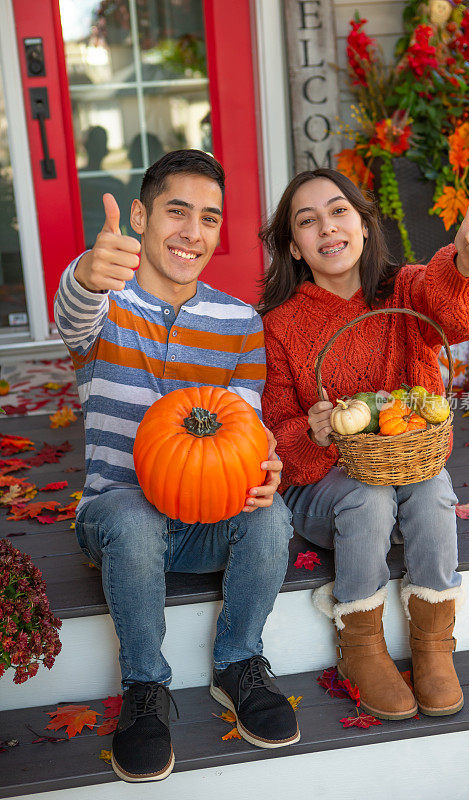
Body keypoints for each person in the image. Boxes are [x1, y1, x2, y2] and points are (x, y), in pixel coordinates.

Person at [54, 150, 299, 784]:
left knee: (274, 519)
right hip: (117, 517)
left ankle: (239, 663)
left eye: (209, 218)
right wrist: (86, 273)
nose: (193, 232)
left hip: (204, 520)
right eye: (177, 211)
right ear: (140, 216)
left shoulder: (239, 323)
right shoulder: (108, 304)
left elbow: (245, 434)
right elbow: (72, 316)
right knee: (134, 517)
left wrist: (264, 466)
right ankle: (145, 687)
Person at [259, 168, 469, 721]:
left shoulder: (407, 288)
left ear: (365, 224)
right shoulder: (280, 325)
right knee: (367, 496)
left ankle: (434, 643)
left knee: (435, 487)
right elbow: (271, 440)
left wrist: (462, 266)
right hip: (323, 491)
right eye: (308, 220)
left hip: (408, 476)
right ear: (294, 247)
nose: (328, 227)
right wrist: (311, 431)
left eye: (339, 211)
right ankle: (360, 645)